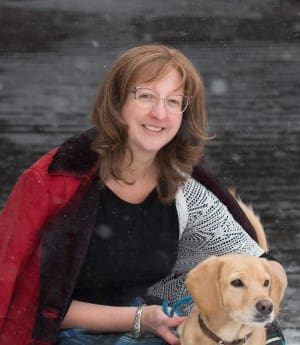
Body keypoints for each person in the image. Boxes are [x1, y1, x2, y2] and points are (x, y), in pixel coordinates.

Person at [0, 44, 287, 345]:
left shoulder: (184, 186)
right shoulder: (52, 183)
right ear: (117, 102)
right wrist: (139, 319)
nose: (159, 113)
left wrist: (260, 302)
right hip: (64, 336)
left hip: (153, 325)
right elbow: (26, 304)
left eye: (173, 101)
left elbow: (264, 263)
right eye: (146, 96)